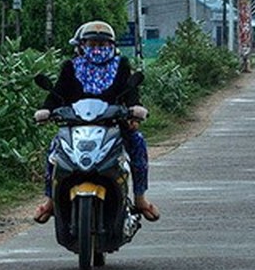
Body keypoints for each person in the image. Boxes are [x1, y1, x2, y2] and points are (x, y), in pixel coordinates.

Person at [32, 20, 160, 223]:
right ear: (81, 46)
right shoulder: (70, 67)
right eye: (92, 44)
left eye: (103, 44)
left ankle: (140, 198)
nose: (97, 49)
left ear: (112, 46)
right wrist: (46, 110)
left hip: (113, 125)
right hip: (76, 125)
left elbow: (130, 92)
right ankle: (50, 201)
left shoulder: (121, 66)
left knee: (138, 143)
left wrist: (135, 111)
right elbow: (58, 94)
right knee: (53, 152)